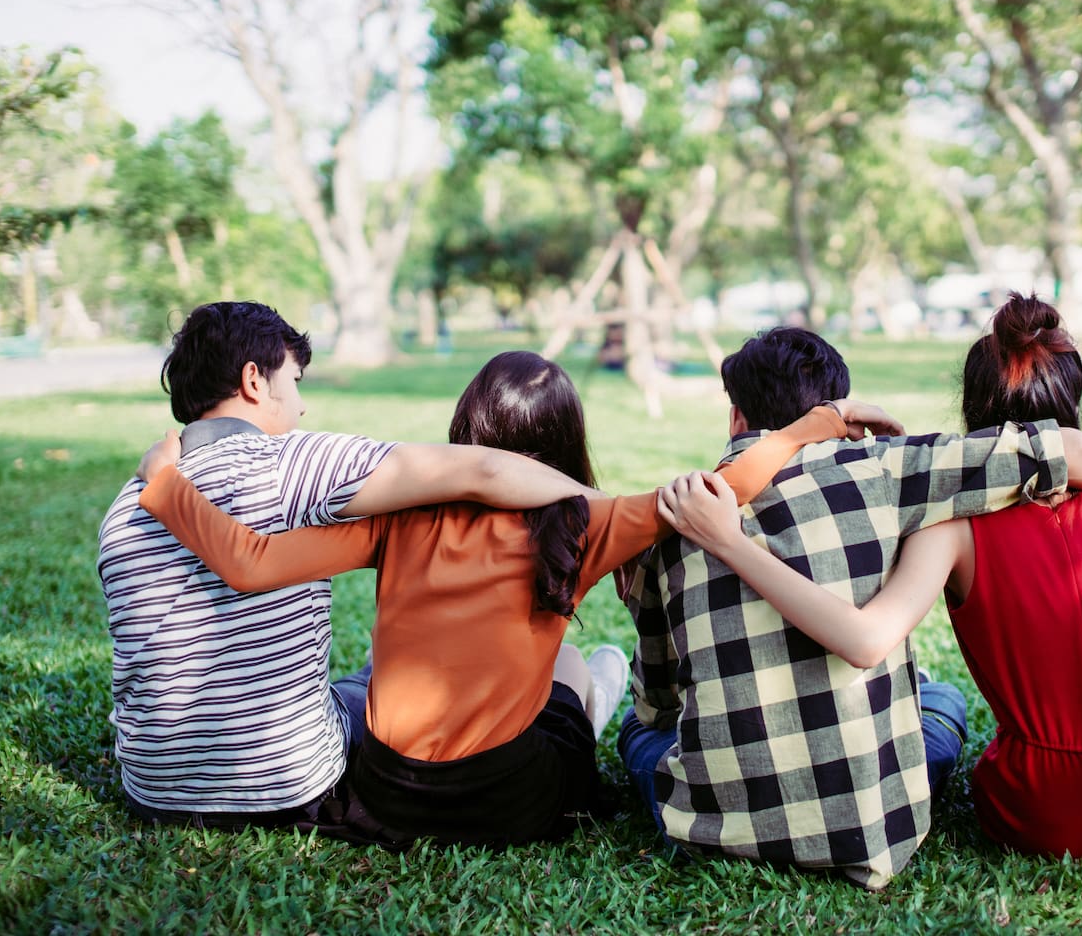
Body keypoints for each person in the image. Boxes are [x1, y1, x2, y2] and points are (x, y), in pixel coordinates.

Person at [131, 350, 900, 849]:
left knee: (387, 681)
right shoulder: (585, 518)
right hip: (513, 803)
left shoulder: (400, 516)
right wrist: (816, 425)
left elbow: (250, 562)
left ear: (467, 427)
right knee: (574, 666)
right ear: (565, 439)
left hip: (388, 798)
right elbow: (721, 488)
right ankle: (594, 688)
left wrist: (166, 486)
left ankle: (578, 684)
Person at [663, 295, 1082, 865]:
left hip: (1038, 811)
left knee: (659, 735)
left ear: (972, 411)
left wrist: (731, 542)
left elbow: (862, 640)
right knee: (944, 702)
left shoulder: (951, 531)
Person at [97, 302, 605, 831]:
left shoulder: (126, 504)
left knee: (367, 674)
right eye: (294, 382)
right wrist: (604, 508)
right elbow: (484, 470)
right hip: (286, 784)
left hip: (153, 790)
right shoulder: (291, 462)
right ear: (254, 380)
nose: (301, 409)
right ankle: (595, 687)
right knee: (387, 687)